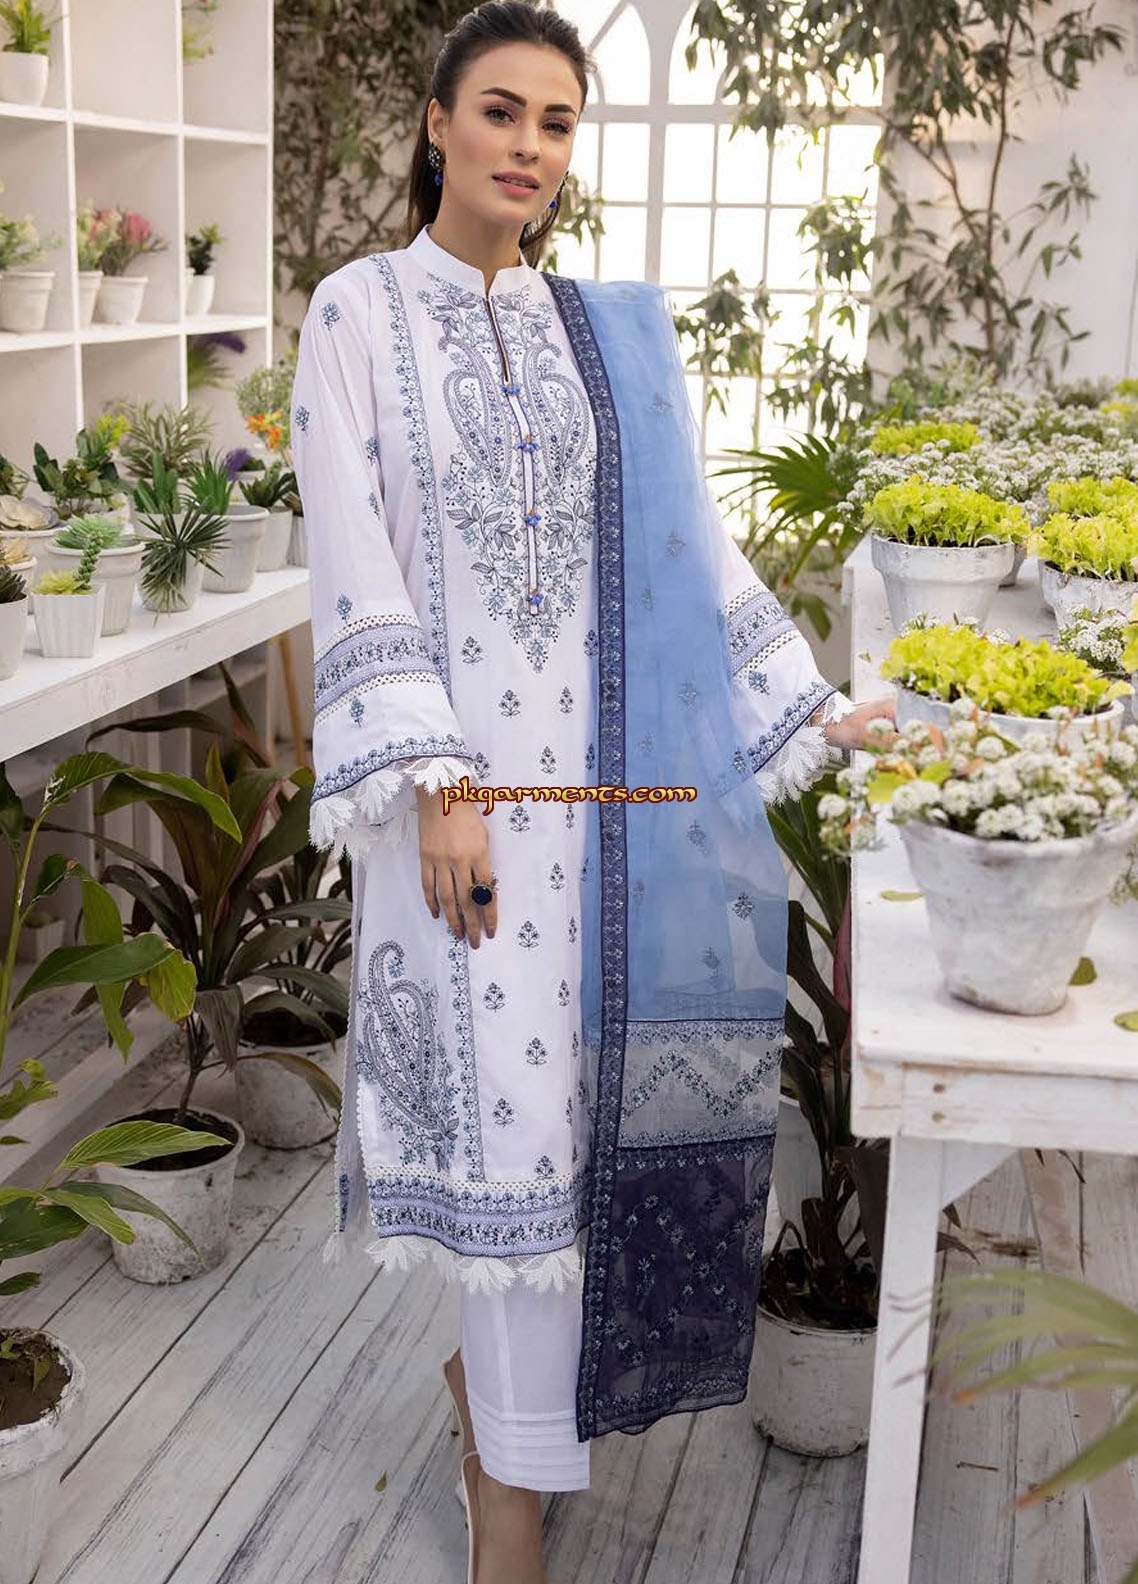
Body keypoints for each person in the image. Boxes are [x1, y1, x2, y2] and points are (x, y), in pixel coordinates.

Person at [289, 5, 894, 1580]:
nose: (527, 147)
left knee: (574, 1139)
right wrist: (439, 784)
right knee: (504, 1147)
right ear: (435, 123)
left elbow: (695, 548)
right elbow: (352, 558)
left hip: (610, 823)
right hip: (461, 818)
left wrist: (816, 709)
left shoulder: (601, 335)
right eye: (499, 111)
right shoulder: (357, 313)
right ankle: (510, 1510)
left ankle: (498, 1421)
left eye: (555, 123)